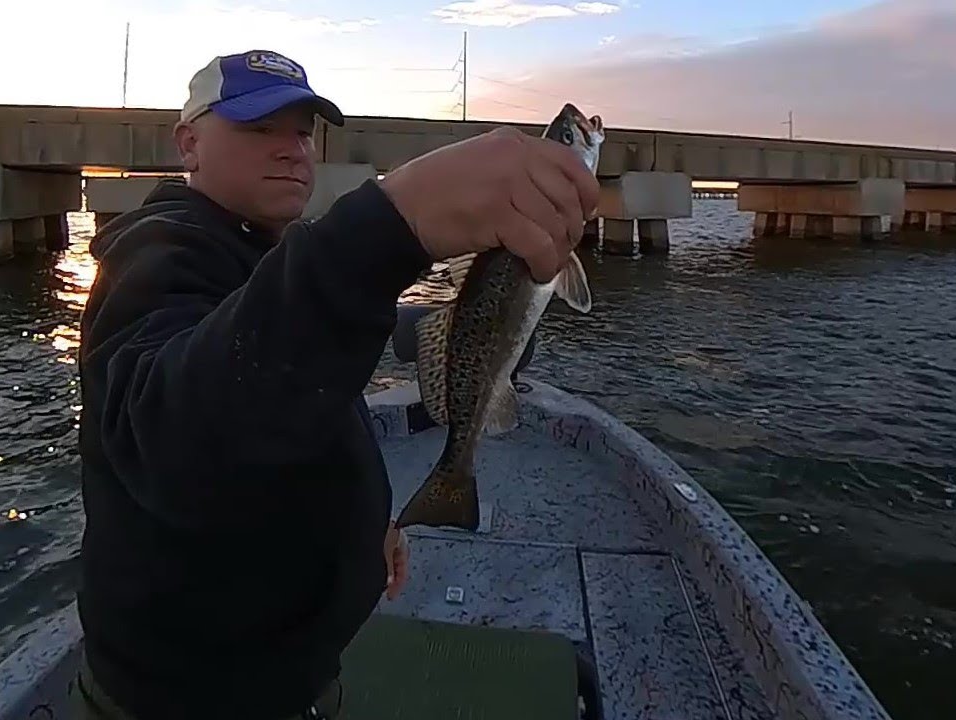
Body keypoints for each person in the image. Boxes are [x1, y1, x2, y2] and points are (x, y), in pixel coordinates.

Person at [70, 49, 599, 720]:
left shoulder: (256, 254)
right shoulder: (153, 258)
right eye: (259, 128)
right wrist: (391, 223)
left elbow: (289, 378)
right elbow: (179, 439)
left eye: (301, 130)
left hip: (294, 674)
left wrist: (357, 517)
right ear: (189, 143)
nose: (291, 150)